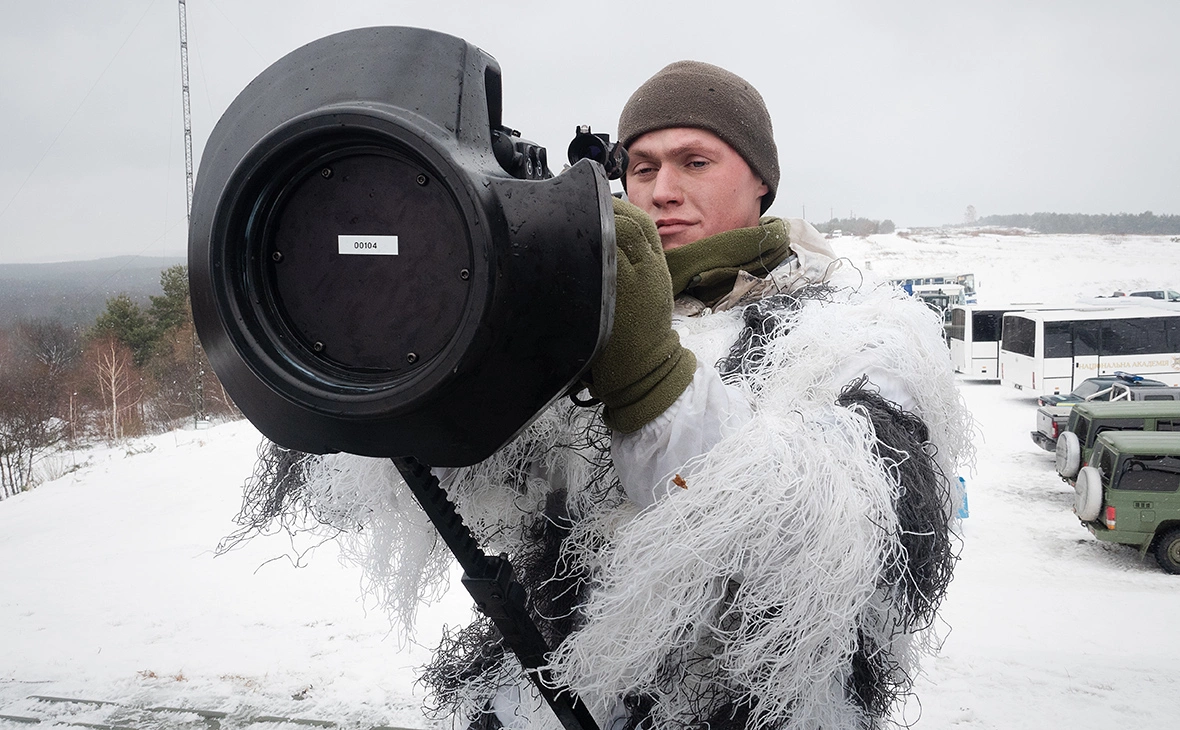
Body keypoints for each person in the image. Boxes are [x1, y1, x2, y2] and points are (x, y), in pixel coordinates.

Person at [237, 60, 972, 730]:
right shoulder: (574, 317)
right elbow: (427, 489)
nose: (661, 191)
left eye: (695, 162)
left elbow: (854, 548)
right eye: (640, 167)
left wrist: (651, 380)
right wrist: (396, 336)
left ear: (762, 182)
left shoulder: (855, 331)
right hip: (547, 698)